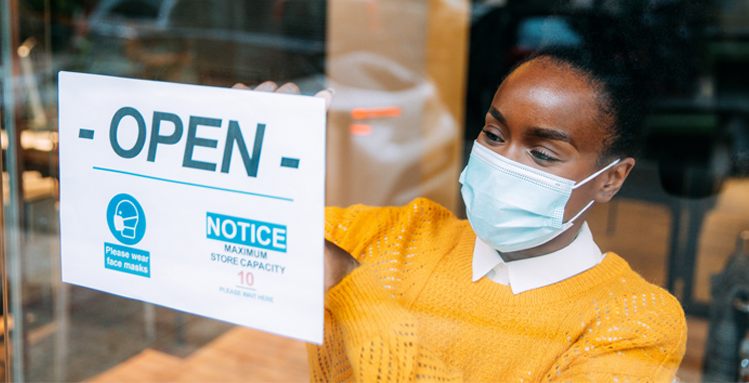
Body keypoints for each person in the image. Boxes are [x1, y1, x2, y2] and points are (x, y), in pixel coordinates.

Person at [242, 43, 687, 382]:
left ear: (612, 178)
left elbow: (330, 266)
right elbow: (242, 233)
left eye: (543, 154)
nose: (503, 162)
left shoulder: (638, 322)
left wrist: (353, 286)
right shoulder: (407, 232)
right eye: (494, 135)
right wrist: (245, 166)